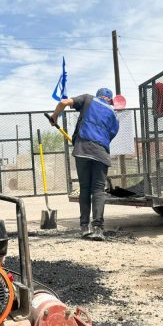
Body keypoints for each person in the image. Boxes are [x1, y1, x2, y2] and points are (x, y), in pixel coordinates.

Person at [49, 87, 119, 241]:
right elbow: (111, 134)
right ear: (110, 99)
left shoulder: (88, 99)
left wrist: (54, 116)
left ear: (98, 96)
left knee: (85, 189)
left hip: (82, 150)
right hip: (100, 152)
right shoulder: (114, 115)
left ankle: (84, 228)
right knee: (98, 190)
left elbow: (63, 102)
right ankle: (98, 229)